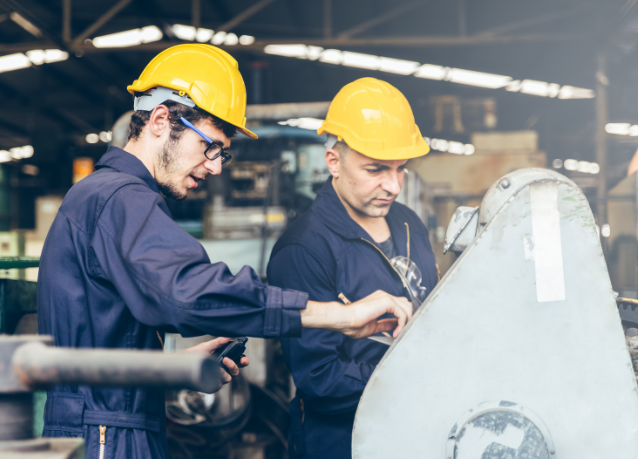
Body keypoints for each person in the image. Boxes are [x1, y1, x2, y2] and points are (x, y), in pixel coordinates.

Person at [36, 46, 412, 459]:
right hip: (107, 438)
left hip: (107, 427)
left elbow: (102, 341)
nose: (215, 166)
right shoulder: (119, 198)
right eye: (209, 146)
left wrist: (175, 370)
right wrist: (340, 315)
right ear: (161, 120)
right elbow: (189, 292)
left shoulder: (105, 198)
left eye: (222, 153)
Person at [267, 77, 439, 459]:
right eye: (376, 170)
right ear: (334, 162)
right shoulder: (304, 249)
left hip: (417, 431)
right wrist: (416, 377)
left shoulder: (409, 222)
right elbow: (320, 378)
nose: (393, 186)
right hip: (341, 442)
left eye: (400, 169)